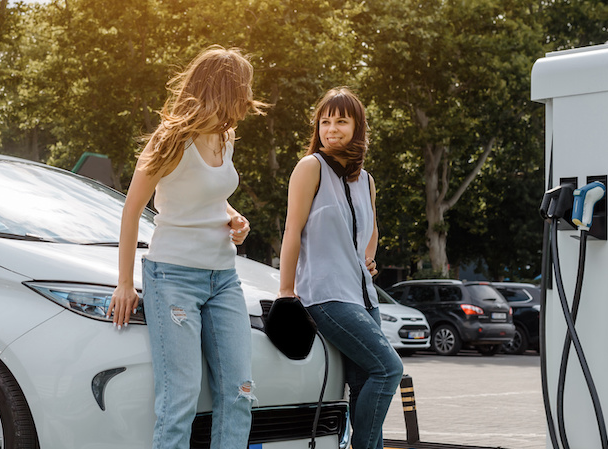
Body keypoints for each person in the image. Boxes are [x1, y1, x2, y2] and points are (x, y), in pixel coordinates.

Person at [110, 45, 266, 449]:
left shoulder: (225, 136)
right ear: (226, 87)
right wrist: (125, 283)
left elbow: (207, 194)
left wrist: (233, 217)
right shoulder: (171, 139)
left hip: (224, 278)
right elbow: (131, 211)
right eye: (244, 87)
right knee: (180, 399)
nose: (249, 96)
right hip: (173, 276)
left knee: (240, 393)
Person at [277, 87, 403, 449]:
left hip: (364, 298)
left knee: (366, 385)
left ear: (357, 126)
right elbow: (292, 230)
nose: (331, 129)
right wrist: (287, 291)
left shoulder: (366, 181)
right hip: (325, 294)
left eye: (341, 121)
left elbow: (372, 228)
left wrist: (368, 255)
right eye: (325, 121)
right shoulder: (310, 167)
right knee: (389, 369)